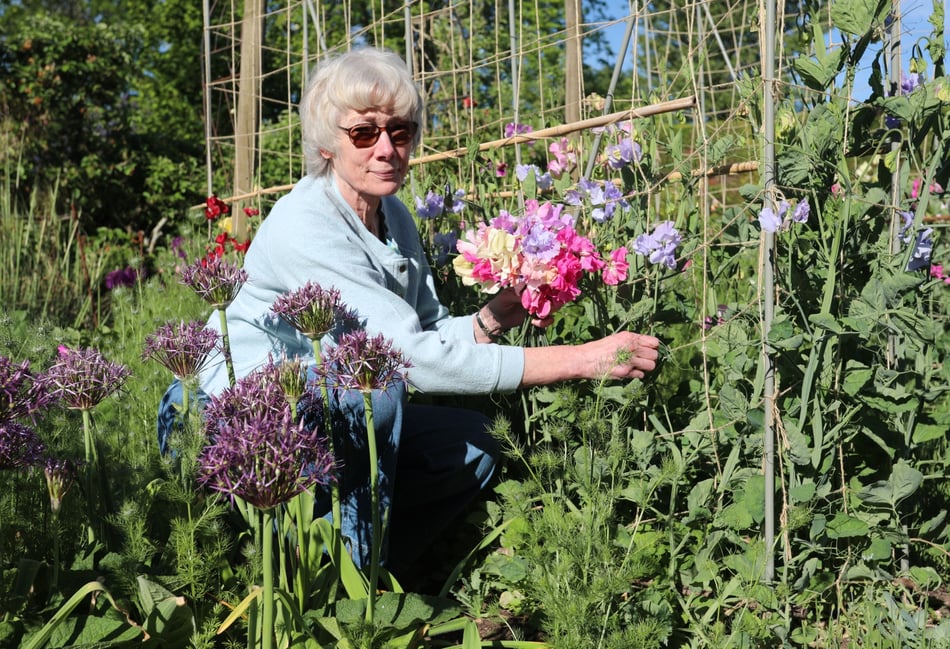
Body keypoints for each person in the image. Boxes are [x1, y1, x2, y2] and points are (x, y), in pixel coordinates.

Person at [159, 46, 660, 584]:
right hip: (227, 421)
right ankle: (332, 597)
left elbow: (424, 331)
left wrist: (493, 316)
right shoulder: (306, 222)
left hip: (313, 409)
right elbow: (408, 361)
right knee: (373, 391)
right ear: (328, 142)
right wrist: (583, 359)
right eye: (364, 133)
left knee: (473, 449)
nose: (386, 149)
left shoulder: (391, 214)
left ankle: (360, 573)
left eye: (400, 132)